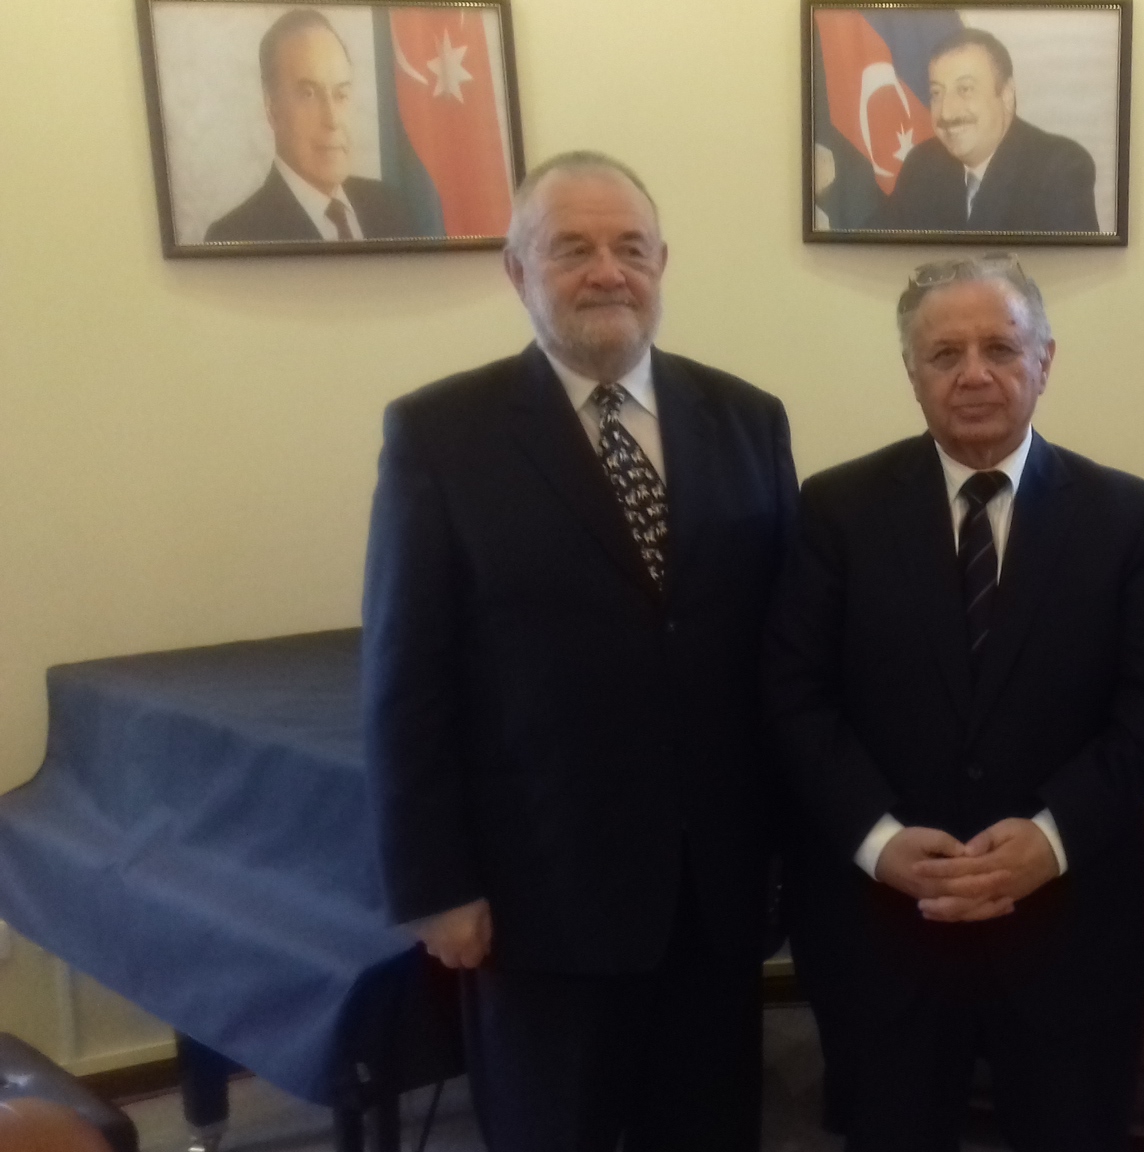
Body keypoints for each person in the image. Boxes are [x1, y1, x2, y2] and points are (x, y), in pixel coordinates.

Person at [362, 151, 795, 1151]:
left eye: (630, 248)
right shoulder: (440, 435)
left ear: (661, 264)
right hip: (540, 901)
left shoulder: (747, 419)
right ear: (518, 270)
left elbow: (780, 654)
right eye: (573, 249)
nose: (608, 272)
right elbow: (405, 679)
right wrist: (434, 885)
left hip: (716, 894)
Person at [764, 254, 1144, 1151]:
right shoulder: (836, 510)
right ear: (910, 371)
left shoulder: (1122, 516)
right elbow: (796, 699)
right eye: (944, 353)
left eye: (1000, 347)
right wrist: (879, 843)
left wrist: (1051, 837)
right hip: (884, 929)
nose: (973, 374)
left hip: (1072, 925)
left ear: (1044, 361)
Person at [205, 9, 412, 243]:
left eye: (341, 94)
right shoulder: (236, 235)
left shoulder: (390, 209)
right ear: (273, 109)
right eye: (308, 94)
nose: (332, 120)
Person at [869, 29, 1098, 234]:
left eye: (965, 89)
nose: (946, 113)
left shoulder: (1059, 168)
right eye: (937, 93)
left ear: (1006, 95)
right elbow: (882, 252)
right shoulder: (921, 165)